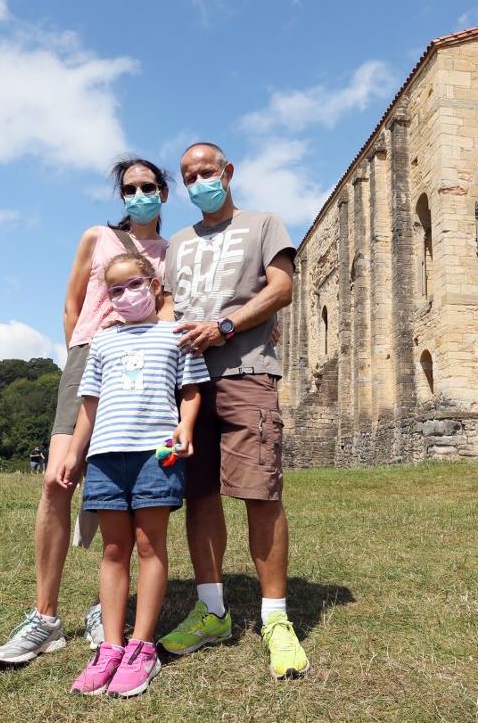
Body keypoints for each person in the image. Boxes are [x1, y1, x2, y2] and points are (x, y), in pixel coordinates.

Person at [0, 157, 173, 670]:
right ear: (122, 196)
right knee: (56, 481)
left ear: (163, 193)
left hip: (141, 363)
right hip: (92, 357)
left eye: (148, 186)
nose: (139, 194)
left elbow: (168, 314)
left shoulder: (171, 252)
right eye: (130, 188)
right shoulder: (96, 237)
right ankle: (45, 617)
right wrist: (82, 357)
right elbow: (71, 304)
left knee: (121, 485)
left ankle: (102, 610)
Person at [157, 142, 309, 678]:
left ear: (227, 172)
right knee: (198, 493)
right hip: (189, 382)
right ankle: (213, 610)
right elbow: (168, 304)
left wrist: (224, 325)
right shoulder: (177, 242)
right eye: (189, 175)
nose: (200, 180)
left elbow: (283, 287)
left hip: (246, 371)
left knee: (260, 491)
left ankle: (275, 619)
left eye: (207, 171)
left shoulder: (265, 223)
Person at [58, 252, 210, 698]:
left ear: (153, 283)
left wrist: (186, 425)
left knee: (149, 544)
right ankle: (111, 646)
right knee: (113, 548)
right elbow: (90, 403)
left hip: (154, 454)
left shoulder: (175, 336)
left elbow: (191, 390)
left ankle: (142, 647)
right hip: (106, 456)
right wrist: (74, 451)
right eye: (116, 290)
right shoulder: (102, 343)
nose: (126, 296)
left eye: (134, 285)